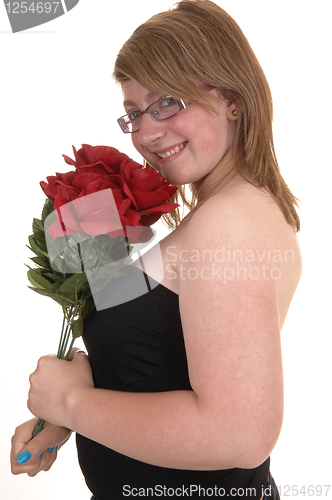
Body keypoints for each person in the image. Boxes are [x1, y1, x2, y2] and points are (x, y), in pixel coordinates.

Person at [11, 1, 301, 499]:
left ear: (232, 96)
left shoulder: (230, 223)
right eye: (133, 113)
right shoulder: (226, 215)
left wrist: (74, 405)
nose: (145, 132)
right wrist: (83, 395)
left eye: (167, 101)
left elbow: (239, 434)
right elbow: (167, 368)